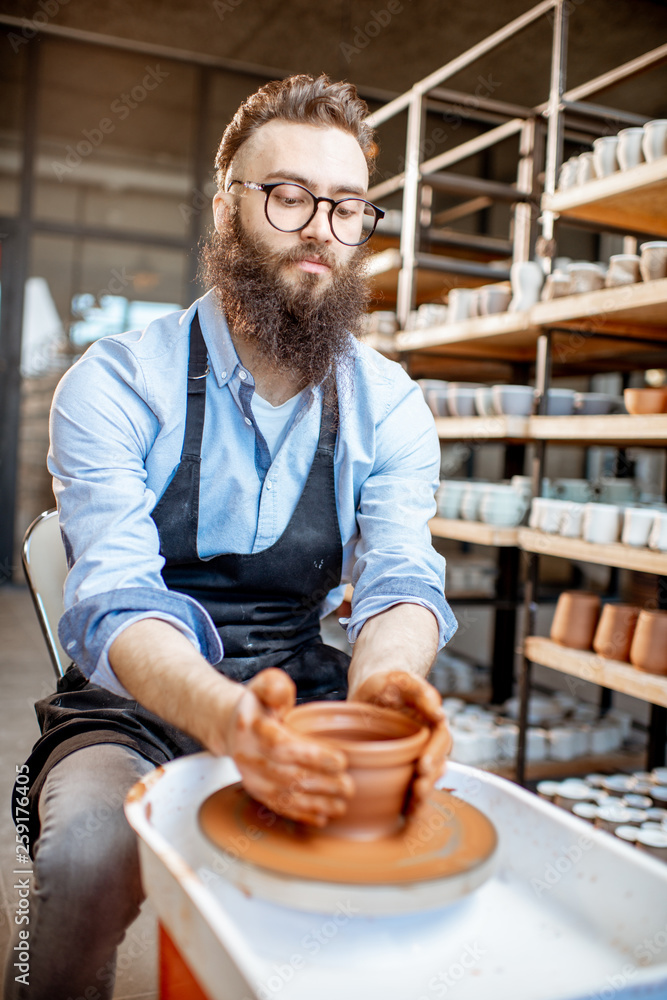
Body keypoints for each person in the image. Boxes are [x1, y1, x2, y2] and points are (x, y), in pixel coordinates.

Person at [5, 73, 457, 1000]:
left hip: (296, 685)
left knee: (399, 859)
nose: (318, 231)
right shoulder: (119, 382)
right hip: (130, 698)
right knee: (86, 861)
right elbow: (114, 600)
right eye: (288, 196)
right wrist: (222, 724)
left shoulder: (391, 404)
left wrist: (386, 695)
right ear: (227, 209)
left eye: (344, 207)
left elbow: (400, 582)